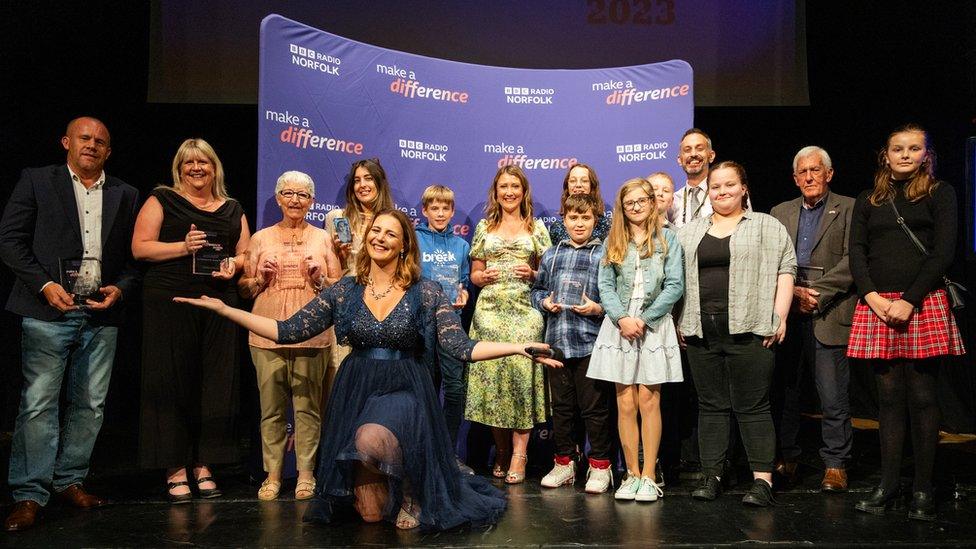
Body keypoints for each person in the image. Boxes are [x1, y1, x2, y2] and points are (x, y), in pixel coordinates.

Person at [174, 209, 561, 530]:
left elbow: (460, 346)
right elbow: (288, 330)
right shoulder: (344, 290)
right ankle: (395, 485)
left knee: (371, 438)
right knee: (372, 516)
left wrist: (518, 347)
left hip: (404, 387)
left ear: (403, 244)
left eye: (390, 233)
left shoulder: (425, 291)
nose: (379, 238)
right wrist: (228, 311)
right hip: (358, 385)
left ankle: (411, 487)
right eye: (375, 230)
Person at [0, 117, 139, 532]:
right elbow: (10, 240)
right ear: (66, 142)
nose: (92, 145)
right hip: (48, 311)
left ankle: (69, 481)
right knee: (39, 404)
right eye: (84, 138)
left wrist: (121, 288)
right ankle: (29, 494)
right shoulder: (37, 181)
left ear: (108, 151)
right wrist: (44, 285)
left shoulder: (125, 193)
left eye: (100, 141)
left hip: (101, 314)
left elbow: (134, 259)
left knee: (90, 405)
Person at [849, 124, 965, 521]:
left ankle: (923, 487)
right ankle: (889, 483)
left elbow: (942, 253)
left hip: (922, 302)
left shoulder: (939, 193)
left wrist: (910, 300)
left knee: (922, 396)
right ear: (886, 154)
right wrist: (873, 297)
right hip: (878, 304)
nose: (904, 154)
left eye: (913, 149)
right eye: (897, 148)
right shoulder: (869, 199)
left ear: (925, 154)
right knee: (888, 399)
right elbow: (857, 252)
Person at [131, 138, 251, 503]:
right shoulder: (162, 199)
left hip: (219, 301)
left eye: (204, 162)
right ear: (179, 168)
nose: (197, 168)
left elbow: (245, 252)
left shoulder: (232, 208)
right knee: (171, 380)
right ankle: (174, 467)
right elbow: (140, 247)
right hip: (171, 301)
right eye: (189, 163)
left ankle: (205, 464)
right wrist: (183, 247)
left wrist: (235, 264)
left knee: (215, 382)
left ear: (215, 168)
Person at [677, 161, 796, 507]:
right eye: (716, 187)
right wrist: (678, 321)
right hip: (702, 331)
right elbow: (676, 281)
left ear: (744, 188)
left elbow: (785, 270)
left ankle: (762, 481)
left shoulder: (766, 226)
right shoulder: (689, 232)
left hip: (752, 329)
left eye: (730, 185)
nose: (722, 191)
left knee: (753, 406)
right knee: (710, 406)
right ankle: (712, 475)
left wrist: (780, 316)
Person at [237, 170, 341, 500]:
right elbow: (244, 287)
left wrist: (319, 277)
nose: (295, 200)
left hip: (312, 331)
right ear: (279, 198)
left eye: (302, 195)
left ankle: (306, 474)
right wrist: (259, 279)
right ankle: (273, 475)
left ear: (312, 201)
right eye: (288, 193)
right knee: (271, 408)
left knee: (309, 407)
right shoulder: (260, 238)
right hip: (267, 330)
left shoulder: (323, 239)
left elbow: (338, 289)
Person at [587, 178, 685, 502]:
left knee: (649, 400)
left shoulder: (668, 239)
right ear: (622, 208)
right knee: (625, 400)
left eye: (642, 200)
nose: (636, 206)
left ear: (653, 202)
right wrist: (622, 318)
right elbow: (605, 285)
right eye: (629, 202)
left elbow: (674, 285)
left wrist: (644, 319)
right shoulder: (613, 241)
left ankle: (649, 474)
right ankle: (630, 473)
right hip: (620, 325)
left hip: (653, 325)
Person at [769, 146, 857, 492]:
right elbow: (771, 259)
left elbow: (854, 261)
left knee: (832, 395)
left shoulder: (850, 208)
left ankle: (835, 464)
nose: (808, 177)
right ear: (794, 178)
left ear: (829, 174)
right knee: (786, 392)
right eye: (802, 172)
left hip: (829, 312)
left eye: (815, 171)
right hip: (787, 314)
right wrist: (792, 296)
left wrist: (814, 292)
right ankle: (787, 458)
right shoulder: (779, 212)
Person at [466, 165, 552, 484]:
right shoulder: (484, 227)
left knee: (521, 382)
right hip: (488, 312)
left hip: (525, 310)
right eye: (504, 186)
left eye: (515, 186)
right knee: (494, 385)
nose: (509, 191)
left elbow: (547, 273)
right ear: (496, 191)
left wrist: (533, 275)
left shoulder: (537, 228)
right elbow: (474, 273)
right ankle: (501, 451)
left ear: (523, 191)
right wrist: (480, 277)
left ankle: (520, 453)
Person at [531, 194, 615, 494]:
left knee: (595, 409)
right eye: (573, 218)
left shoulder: (605, 254)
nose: (579, 223)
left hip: (591, 342)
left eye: (586, 218)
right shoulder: (552, 254)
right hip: (557, 342)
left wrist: (598, 308)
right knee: (562, 409)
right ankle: (564, 463)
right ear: (564, 220)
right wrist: (545, 302)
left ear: (596, 221)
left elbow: (614, 296)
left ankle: (601, 466)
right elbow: (537, 291)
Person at [415, 184, 472, 469]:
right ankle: (424, 454)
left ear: (452, 211)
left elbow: (464, 282)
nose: (440, 213)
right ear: (424, 211)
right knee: (425, 388)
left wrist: (464, 295)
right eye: (434, 208)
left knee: (454, 389)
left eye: (445, 208)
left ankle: (449, 455)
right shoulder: (414, 240)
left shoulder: (461, 246)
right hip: (421, 326)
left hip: (452, 325)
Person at [324, 158, 395, 369]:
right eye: (357, 180)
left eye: (368, 178)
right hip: (346, 300)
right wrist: (338, 253)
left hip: (381, 301)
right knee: (340, 367)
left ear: (379, 183)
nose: (362, 185)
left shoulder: (391, 220)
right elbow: (331, 270)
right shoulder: (338, 218)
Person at [548, 163, 611, 243]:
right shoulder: (556, 228)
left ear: (592, 186)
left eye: (584, 181)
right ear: (567, 186)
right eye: (573, 181)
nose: (578, 185)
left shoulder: (607, 227)